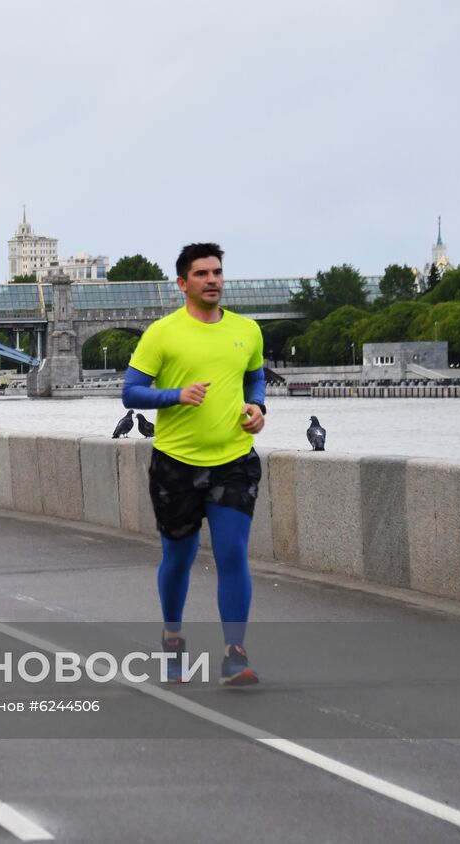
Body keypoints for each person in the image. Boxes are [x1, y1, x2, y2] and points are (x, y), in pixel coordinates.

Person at [122, 243, 266, 686]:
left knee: (232, 554)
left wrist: (257, 406)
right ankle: (172, 637)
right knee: (179, 558)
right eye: (202, 274)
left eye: (218, 272)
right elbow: (131, 392)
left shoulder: (247, 330)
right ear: (183, 283)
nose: (213, 280)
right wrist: (175, 395)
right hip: (176, 465)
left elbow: (255, 374)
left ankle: (235, 655)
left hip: (234, 460)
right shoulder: (162, 334)